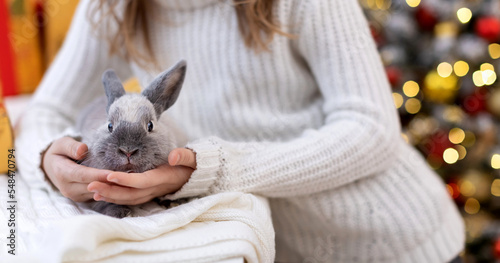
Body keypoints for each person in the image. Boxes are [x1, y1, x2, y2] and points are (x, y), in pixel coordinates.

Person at [16, 0, 465, 262]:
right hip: (272, 246)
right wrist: (46, 158)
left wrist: (212, 169)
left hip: (389, 241)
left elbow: (371, 128)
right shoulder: (113, 6)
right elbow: (48, 107)